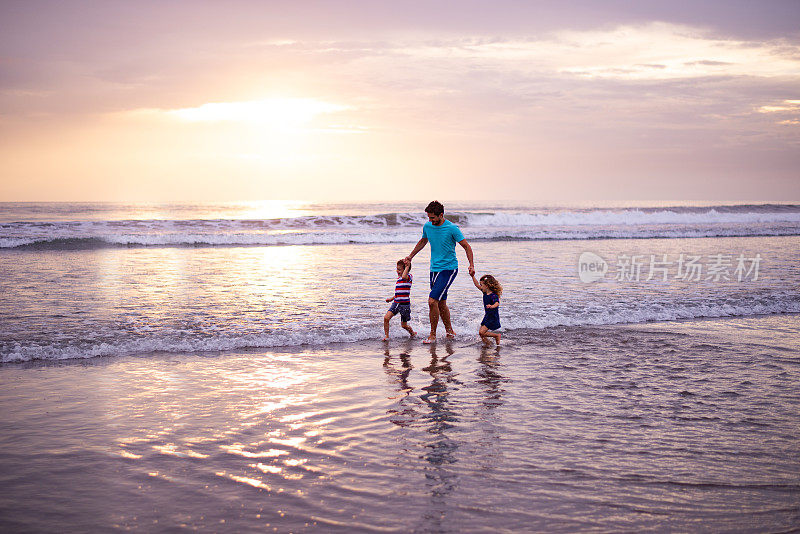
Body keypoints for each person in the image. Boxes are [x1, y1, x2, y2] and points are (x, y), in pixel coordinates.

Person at [405, 200, 474, 344]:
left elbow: (467, 246)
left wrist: (471, 265)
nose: (430, 220)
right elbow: (423, 241)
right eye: (428, 218)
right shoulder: (428, 226)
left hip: (449, 269)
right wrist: (410, 256)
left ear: (441, 215)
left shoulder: (452, 228)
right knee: (441, 302)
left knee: (432, 301)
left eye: (432, 218)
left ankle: (432, 335)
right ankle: (450, 331)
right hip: (434, 269)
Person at [383, 259, 416, 340]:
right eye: (397, 269)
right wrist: (391, 299)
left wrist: (407, 266)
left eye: (399, 269)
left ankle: (412, 333)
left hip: (405, 305)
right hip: (396, 303)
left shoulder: (409, 277)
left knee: (404, 325)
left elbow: (404, 276)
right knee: (386, 318)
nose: (397, 271)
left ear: (406, 269)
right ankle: (387, 336)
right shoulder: (398, 280)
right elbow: (398, 293)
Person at [471, 273, 502, 345]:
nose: (480, 286)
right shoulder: (484, 292)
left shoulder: (493, 295)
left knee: (481, 332)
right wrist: (472, 276)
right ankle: (488, 344)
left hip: (492, 316)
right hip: (487, 316)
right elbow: (476, 284)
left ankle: (497, 336)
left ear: (487, 286)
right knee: (481, 334)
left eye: (482, 285)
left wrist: (492, 306)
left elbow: (497, 303)